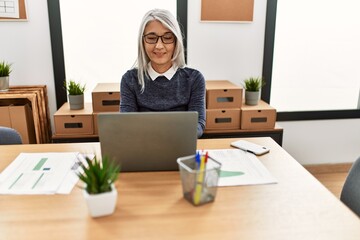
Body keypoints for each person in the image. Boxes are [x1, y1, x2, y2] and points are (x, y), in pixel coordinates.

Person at [120, 8, 206, 138]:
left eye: (167, 38)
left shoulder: (194, 79)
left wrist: (173, 137)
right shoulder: (130, 79)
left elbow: (198, 124)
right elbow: (126, 125)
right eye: (151, 38)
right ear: (142, 42)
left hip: (181, 146)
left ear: (176, 41)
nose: (159, 46)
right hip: (143, 148)